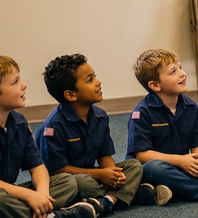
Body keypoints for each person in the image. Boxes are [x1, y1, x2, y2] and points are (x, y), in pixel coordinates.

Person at [0, 54, 95, 218]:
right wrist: (29, 196)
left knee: (67, 182)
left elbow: (38, 167)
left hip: (6, 195)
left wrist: (41, 195)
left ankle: (41, 213)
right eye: (15, 82)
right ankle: (54, 215)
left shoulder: (19, 122)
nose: (24, 85)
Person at [35, 53, 165, 216]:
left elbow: (104, 155)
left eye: (95, 76)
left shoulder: (100, 116)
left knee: (134, 166)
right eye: (90, 80)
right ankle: (129, 195)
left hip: (94, 174)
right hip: (68, 180)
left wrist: (114, 175)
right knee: (81, 184)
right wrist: (101, 174)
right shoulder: (53, 126)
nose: (98, 82)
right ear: (71, 95)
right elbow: (58, 171)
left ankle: (106, 201)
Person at [127, 48, 198, 203]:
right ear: (155, 85)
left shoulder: (191, 107)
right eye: (173, 72)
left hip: (183, 168)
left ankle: (170, 190)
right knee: (153, 168)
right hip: (159, 168)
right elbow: (142, 156)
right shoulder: (142, 112)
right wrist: (180, 160)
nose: (182, 73)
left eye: (180, 67)